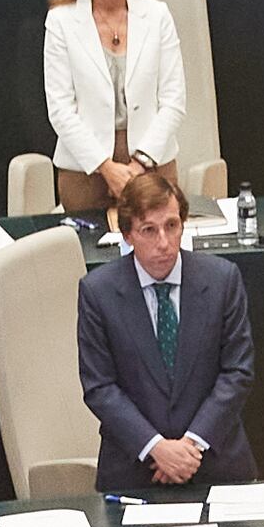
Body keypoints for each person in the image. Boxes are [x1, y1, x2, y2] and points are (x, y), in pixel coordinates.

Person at [72, 164, 254, 494]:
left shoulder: (222, 280)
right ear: (127, 235)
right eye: (149, 230)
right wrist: (157, 447)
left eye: (172, 226)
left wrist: (191, 446)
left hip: (215, 462)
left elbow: (237, 372)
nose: (164, 243)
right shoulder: (98, 293)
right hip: (135, 468)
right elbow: (99, 386)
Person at [38, 0, 184, 223]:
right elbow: (60, 109)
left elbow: (174, 100)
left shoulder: (157, 15)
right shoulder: (62, 21)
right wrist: (106, 167)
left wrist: (139, 165)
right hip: (85, 168)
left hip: (152, 160)